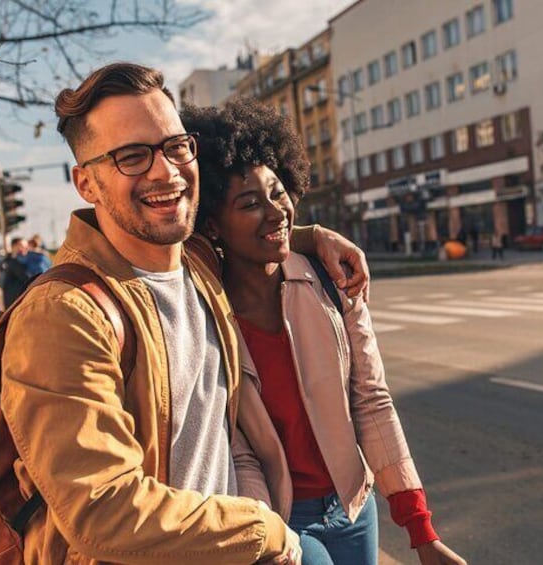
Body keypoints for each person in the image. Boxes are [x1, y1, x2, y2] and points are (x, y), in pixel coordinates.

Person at [0, 62, 369, 564]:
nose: (166, 171)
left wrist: (310, 235)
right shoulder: (63, 315)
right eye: (132, 156)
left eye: (176, 146)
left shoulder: (195, 262)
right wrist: (264, 530)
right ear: (86, 184)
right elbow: (102, 509)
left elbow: (243, 231)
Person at [182, 98, 466, 565]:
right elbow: (234, 445)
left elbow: (371, 400)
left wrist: (421, 532)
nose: (276, 212)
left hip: (353, 506)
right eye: (249, 203)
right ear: (211, 222)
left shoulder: (333, 280)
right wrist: (265, 531)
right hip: (280, 517)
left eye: (278, 193)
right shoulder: (204, 310)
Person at [1, 236, 30, 307]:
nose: (26, 249)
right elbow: (28, 279)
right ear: (15, 246)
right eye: (23, 246)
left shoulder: (8, 262)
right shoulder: (13, 263)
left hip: (14, 304)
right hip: (16, 304)